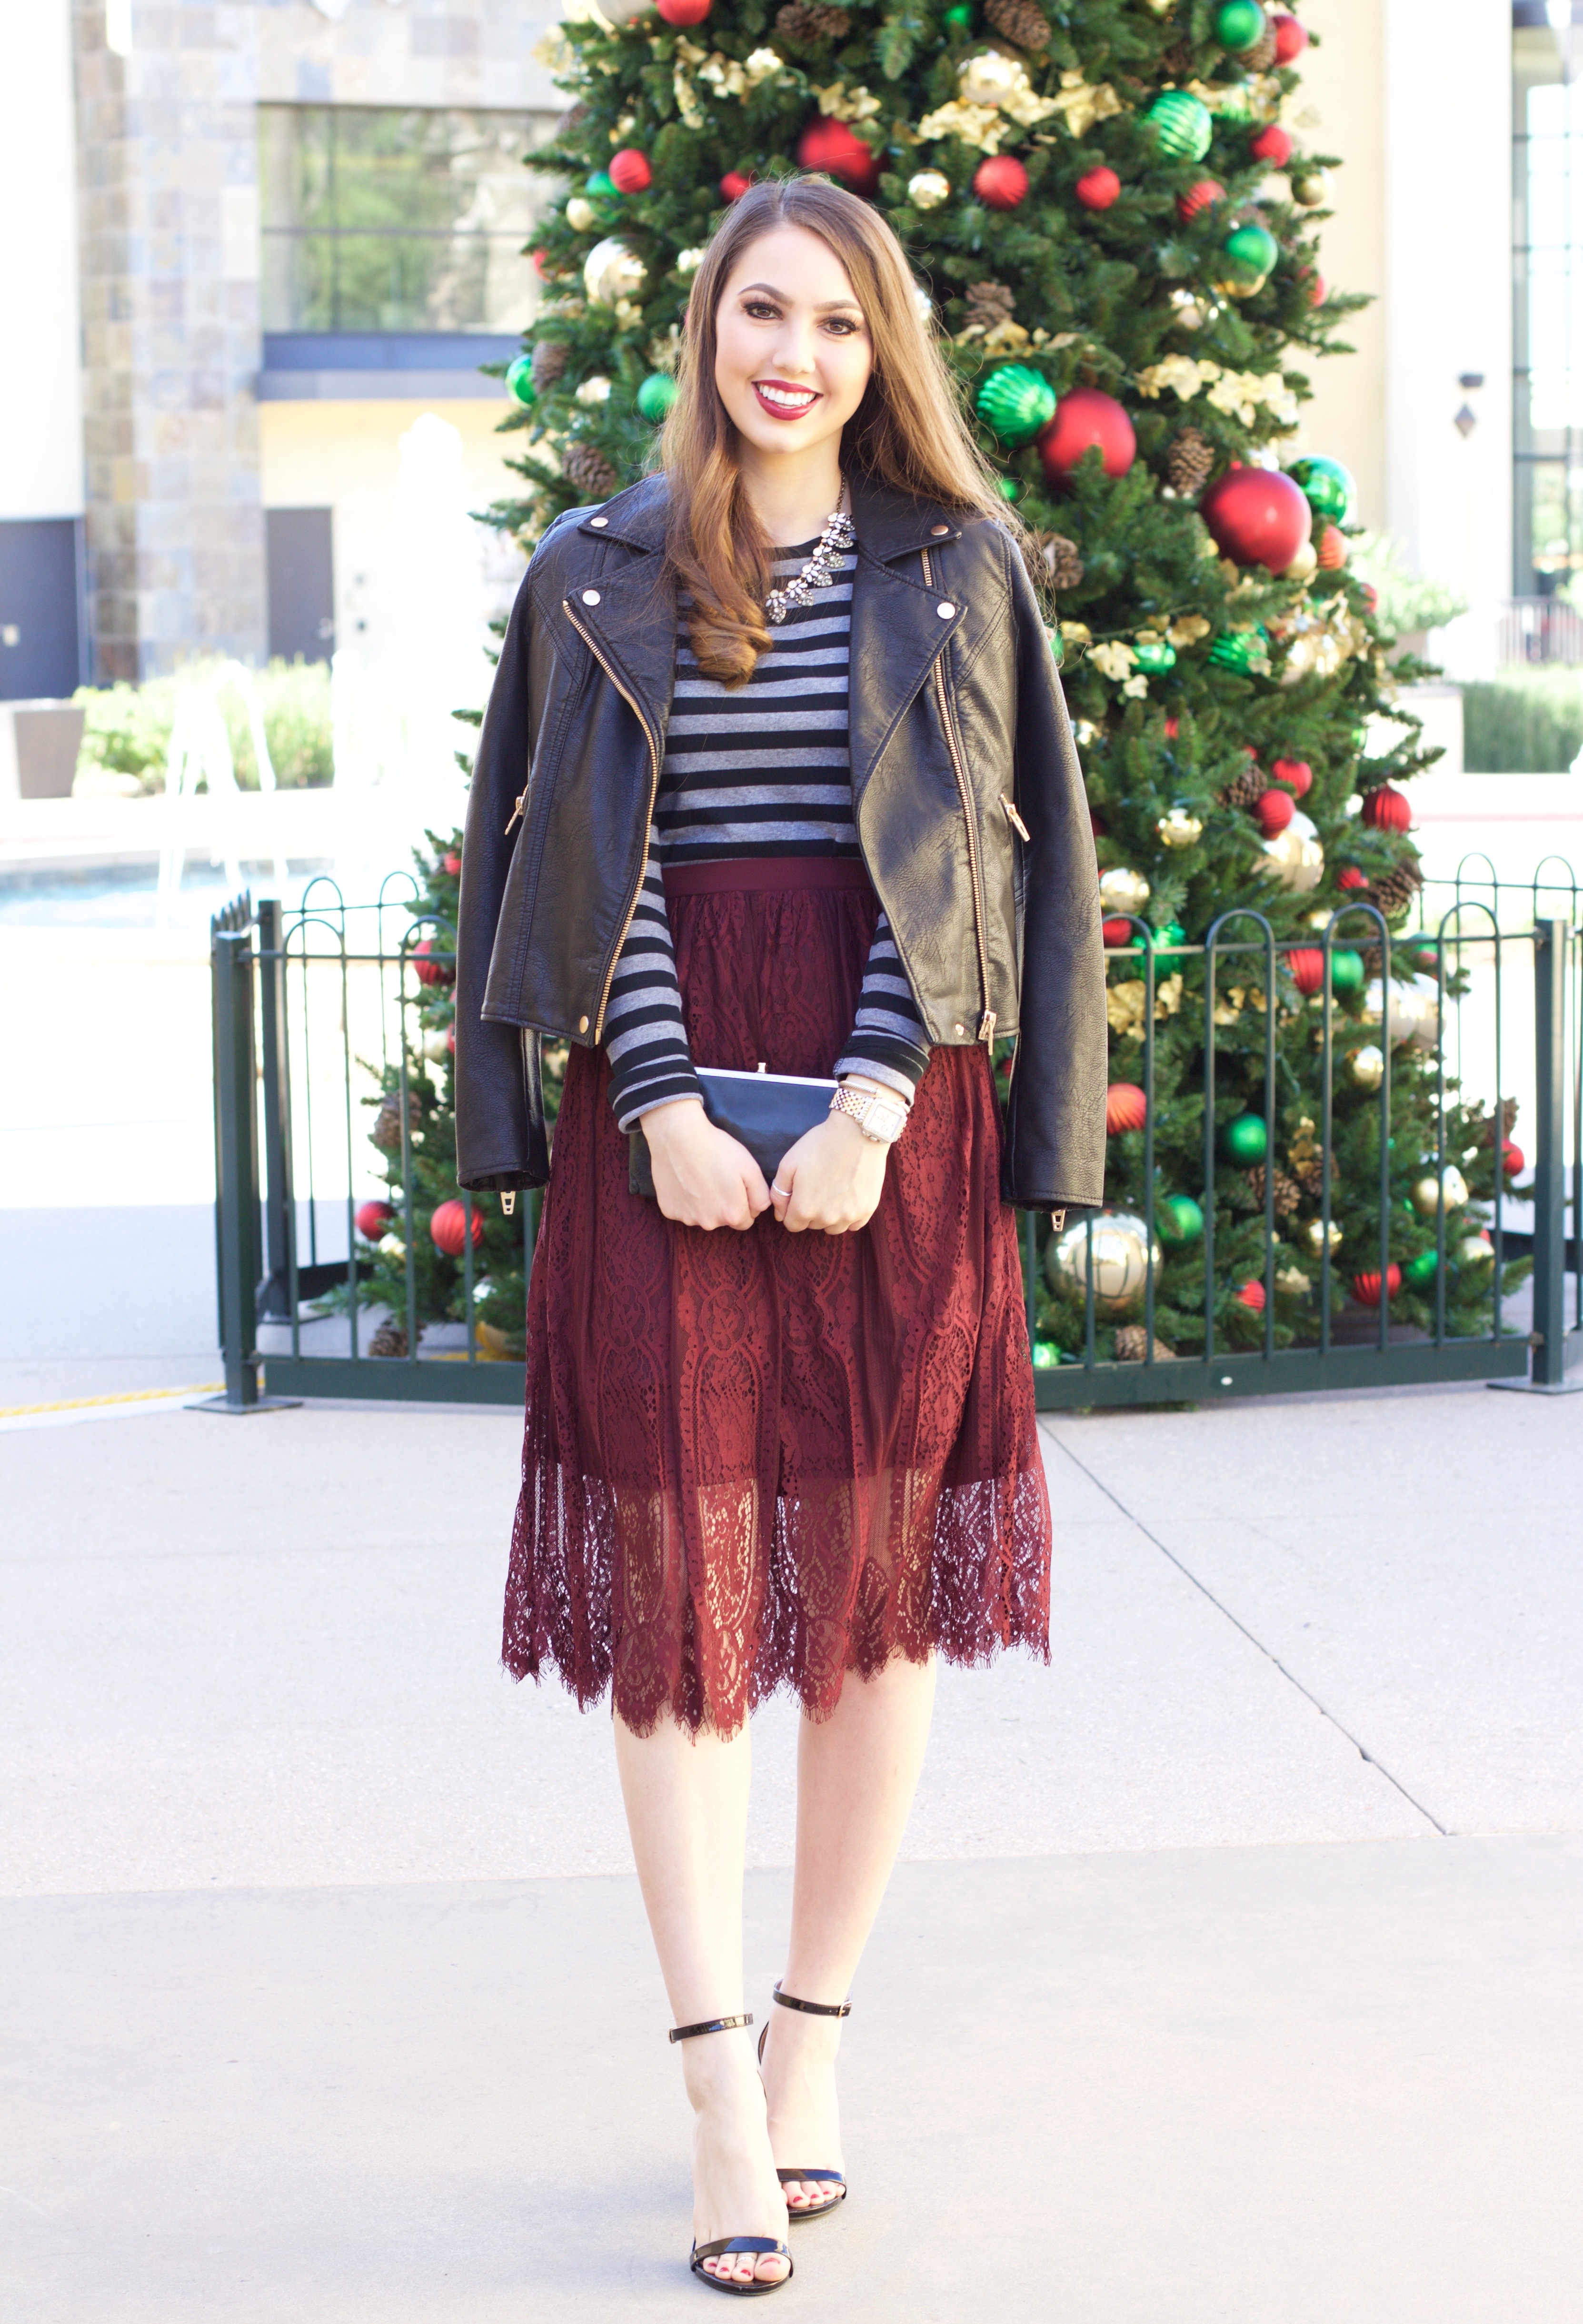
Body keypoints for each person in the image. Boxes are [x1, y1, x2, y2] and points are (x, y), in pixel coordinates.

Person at [456, 174, 1105, 2295]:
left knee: (870, 1606)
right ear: (708, 337)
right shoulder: (590, 573)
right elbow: (564, 866)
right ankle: (711, 2084)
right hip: (665, 1123)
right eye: (759, 313)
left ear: (875, 345)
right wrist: (647, 1102)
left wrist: (873, 1105)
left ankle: (810, 2043)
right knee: (684, 1600)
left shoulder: (958, 570)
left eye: (832, 319)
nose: (792, 354)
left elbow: (995, 874)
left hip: (879, 1131)